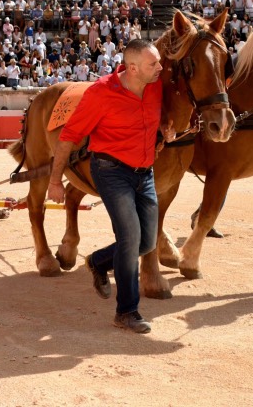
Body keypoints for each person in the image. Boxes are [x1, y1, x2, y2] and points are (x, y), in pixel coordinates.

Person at [48, 39, 171, 334]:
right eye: (153, 64)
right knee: (130, 239)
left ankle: (99, 261)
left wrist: (166, 126)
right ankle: (126, 312)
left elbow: (165, 111)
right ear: (131, 68)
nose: (160, 68)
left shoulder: (156, 84)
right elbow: (69, 136)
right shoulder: (100, 94)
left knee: (147, 242)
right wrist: (55, 180)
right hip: (111, 172)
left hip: (145, 173)